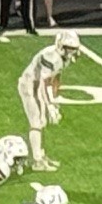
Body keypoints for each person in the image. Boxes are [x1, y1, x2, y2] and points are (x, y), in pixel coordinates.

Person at [17, 29, 81, 170]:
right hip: (30, 85)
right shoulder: (51, 56)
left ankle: (40, 154)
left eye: (73, 48)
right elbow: (43, 83)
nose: (71, 52)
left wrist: (54, 100)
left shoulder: (63, 58)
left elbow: (56, 78)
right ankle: (37, 161)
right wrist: (50, 105)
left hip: (37, 85)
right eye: (69, 48)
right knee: (36, 121)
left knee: (42, 121)